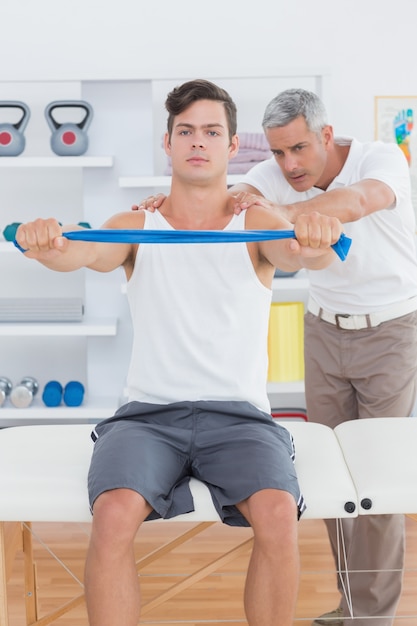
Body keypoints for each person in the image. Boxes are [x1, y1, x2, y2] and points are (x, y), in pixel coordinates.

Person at [15, 80, 344, 626]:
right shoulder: (135, 225)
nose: (198, 142)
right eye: (185, 131)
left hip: (239, 420)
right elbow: (77, 253)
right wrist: (46, 240)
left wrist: (315, 236)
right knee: (114, 514)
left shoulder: (255, 222)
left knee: (279, 514)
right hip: (148, 419)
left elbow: (305, 254)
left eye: (212, 132)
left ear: (233, 146)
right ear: (166, 143)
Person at [135, 87, 417, 626]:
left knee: (373, 479)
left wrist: (285, 211)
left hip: (390, 331)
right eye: (278, 153)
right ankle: (349, 603)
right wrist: (163, 207)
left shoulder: (378, 158)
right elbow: (225, 193)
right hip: (324, 330)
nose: (288, 164)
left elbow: (356, 202)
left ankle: (373, 616)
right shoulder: (272, 175)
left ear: (326, 136)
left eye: (299, 150)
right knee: (333, 479)